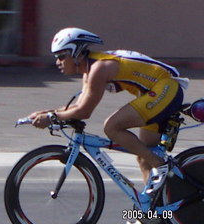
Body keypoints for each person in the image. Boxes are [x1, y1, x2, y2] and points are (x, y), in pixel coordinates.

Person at [28, 27, 188, 199]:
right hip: (155, 93)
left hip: (165, 89)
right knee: (144, 158)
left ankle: (161, 165)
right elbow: (78, 106)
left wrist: (51, 117)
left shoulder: (99, 69)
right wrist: (47, 113)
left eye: (61, 56)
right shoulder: (89, 70)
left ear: (75, 53)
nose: (58, 62)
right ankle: (154, 209)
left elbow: (84, 111)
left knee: (112, 127)